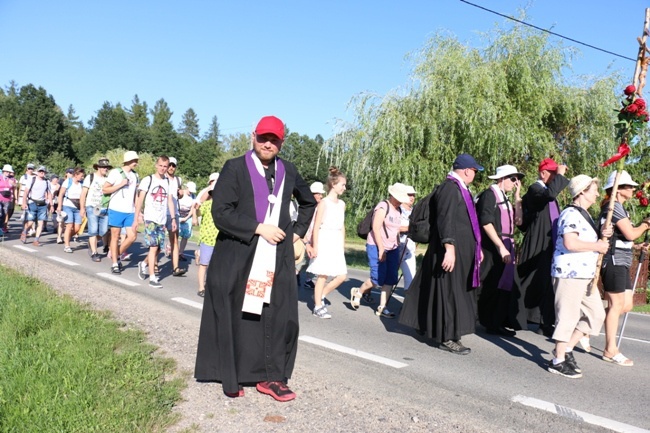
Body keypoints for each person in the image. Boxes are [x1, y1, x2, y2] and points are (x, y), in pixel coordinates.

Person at [195, 115, 316, 401]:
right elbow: (220, 211)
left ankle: (271, 377)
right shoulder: (235, 168)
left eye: (274, 139)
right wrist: (258, 228)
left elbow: (309, 202)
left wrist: (297, 233)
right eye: (263, 137)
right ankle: (233, 373)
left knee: (276, 316)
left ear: (282, 142)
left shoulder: (289, 171)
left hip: (277, 258)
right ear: (253, 136)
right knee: (240, 314)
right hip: (239, 255)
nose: (268, 143)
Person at [399, 154, 484, 355]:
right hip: (449, 250)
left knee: (447, 290)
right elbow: (446, 219)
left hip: (461, 250)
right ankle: (448, 337)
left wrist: (476, 249)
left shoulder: (461, 189)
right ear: (465, 170)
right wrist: (450, 248)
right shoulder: (450, 188)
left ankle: (428, 325)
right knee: (448, 293)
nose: (475, 174)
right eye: (474, 170)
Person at [548, 175, 611, 378]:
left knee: (596, 315)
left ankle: (567, 348)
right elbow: (570, 243)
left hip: (584, 275)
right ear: (582, 191)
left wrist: (602, 233)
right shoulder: (570, 214)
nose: (597, 194)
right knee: (567, 316)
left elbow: (585, 239)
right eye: (594, 190)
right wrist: (598, 246)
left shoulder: (584, 215)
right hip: (569, 273)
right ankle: (557, 360)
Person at [597, 170, 649, 367]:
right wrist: (646, 225)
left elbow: (623, 239)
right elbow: (630, 233)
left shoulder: (619, 208)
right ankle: (611, 349)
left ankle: (589, 319)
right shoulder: (614, 208)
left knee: (625, 305)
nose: (633, 189)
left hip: (622, 260)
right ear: (618, 189)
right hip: (614, 262)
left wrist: (635, 247)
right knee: (617, 305)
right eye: (629, 186)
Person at [517, 158, 569, 335]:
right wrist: (561, 176)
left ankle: (544, 322)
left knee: (547, 282)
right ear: (543, 173)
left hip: (550, 243)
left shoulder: (548, 191)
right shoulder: (535, 189)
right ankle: (513, 314)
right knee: (530, 279)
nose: (556, 177)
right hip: (537, 241)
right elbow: (549, 195)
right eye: (553, 173)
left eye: (557, 174)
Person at [350, 182, 410, 318]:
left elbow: (395, 230)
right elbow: (376, 228)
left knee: (390, 278)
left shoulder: (399, 210)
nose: (402, 201)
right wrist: (381, 249)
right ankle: (358, 292)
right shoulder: (383, 206)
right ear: (393, 196)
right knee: (377, 278)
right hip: (376, 246)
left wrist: (398, 246)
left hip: (393, 248)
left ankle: (383, 307)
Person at [476, 165, 524, 337]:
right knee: (487, 282)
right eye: (512, 179)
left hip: (505, 243)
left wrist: (518, 198)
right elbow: (486, 222)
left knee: (501, 285)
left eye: (517, 179)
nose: (515, 182)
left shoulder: (505, 198)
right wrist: (500, 246)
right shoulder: (490, 195)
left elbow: (518, 221)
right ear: (501, 178)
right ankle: (482, 319)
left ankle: (494, 322)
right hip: (492, 246)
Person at [306, 167, 348, 319]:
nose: (344, 187)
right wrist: (315, 245)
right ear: (333, 184)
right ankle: (318, 306)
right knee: (322, 275)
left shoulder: (342, 204)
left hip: (336, 240)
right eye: (342, 184)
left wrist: (342, 245)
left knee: (341, 276)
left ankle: (321, 294)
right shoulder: (323, 203)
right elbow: (316, 226)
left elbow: (342, 225)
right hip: (324, 238)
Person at [135, 156, 177, 288]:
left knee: (158, 248)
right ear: (156, 165)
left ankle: (143, 264)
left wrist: (173, 218)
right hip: (151, 218)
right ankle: (152, 278)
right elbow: (140, 199)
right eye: (161, 166)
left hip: (162, 219)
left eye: (165, 166)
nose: (163, 169)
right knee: (153, 247)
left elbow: (169, 200)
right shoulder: (148, 180)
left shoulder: (168, 182)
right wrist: (136, 217)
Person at [103, 151, 140, 275]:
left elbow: (136, 194)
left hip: (130, 210)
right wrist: (120, 185)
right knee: (115, 236)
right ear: (128, 160)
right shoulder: (115, 172)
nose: (136, 162)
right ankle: (114, 263)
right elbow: (105, 189)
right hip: (116, 209)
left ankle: (116, 255)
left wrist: (138, 211)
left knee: (132, 236)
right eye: (134, 160)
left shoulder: (135, 175)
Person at [80, 158, 112, 261]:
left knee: (103, 231)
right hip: (91, 206)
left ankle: (91, 241)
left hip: (103, 207)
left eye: (106, 167)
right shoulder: (90, 177)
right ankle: (94, 252)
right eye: (103, 167)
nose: (105, 169)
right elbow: (83, 193)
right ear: (98, 167)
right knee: (93, 230)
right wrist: (82, 208)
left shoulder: (107, 180)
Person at [297, 181, 326, 290]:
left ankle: (308, 280)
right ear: (312, 194)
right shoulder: (306, 206)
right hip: (304, 236)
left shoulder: (320, 206)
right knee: (302, 259)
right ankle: (295, 275)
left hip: (314, 236)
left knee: (312, 259)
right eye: (318, 194)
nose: (321, 196)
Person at [165, 156, 187, 277]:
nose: (171, 168)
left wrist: (181, 194)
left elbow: (177, 195)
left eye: (173, 165)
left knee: (174, 241)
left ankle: (176, 268)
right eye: (170, 165)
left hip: (175, 213)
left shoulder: (178, 180)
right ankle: (153, 264)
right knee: (157, 242)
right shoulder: (162, 178)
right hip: (163, 213)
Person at [21, 166, 52, 246]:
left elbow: (49, 194)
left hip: (42, 204)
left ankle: (36, 240)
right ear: (37, 172)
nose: (42, 172)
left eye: (43, 171)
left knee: (40, 223)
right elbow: (26, 192)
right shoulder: (32, 179)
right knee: (30, 222)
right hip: (32, 202)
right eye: (40, 171)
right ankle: (24, 232)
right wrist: (24, 203)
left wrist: (51, 205)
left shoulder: (47, 182)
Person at [57, 167, 86, 253]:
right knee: (69, 225)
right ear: (76, 175)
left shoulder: (82, 184)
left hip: (77, 207)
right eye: (81, 176)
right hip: (68, 205)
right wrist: (59, 206)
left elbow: (83, 197)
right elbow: (61, 194)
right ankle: (67, 245)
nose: (82, 177)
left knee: (77, 228)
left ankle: (66, 238)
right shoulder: (68, 181)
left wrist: (82, 208)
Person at [196, 189, 217, 297]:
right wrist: (196, 208)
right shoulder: (207, 204)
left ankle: (211, 286)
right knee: (204, 264)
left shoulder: (224, 207)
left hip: (219, 240)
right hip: (207, 239)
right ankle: (201, 288)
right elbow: (198, 210)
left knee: (215, 266)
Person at [398, 185, 417, 292]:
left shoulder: (415, 211)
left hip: (409, 250)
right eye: (409, 194)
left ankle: (407, 307)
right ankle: (363, 291)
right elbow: (392, 228)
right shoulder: (396, 209)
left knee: (410, 279)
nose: (412, 197)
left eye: (413, 195)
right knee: (385, 278)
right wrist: (410, 228)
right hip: (394, 247)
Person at [177, 181, 197, 261]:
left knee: (186, 236)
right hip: (178, 215)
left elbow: (193, 208)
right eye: (190, 190)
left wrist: (187, 218)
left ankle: (180, 253)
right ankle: (171, 248)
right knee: (175, 234)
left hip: (187, 217)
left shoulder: (193, 196)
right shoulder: (181, 194)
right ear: (187, 188)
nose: (191, 192)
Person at [0, 164, 17, 233]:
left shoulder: (11, 179)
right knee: (0, 213)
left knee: (4, 214)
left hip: (7, 199)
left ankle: (1, 229)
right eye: (6, 172)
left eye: (9, 172)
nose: (8, 173)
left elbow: (16, 187)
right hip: (0, 198)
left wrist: (13, 184)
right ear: (3, 171)